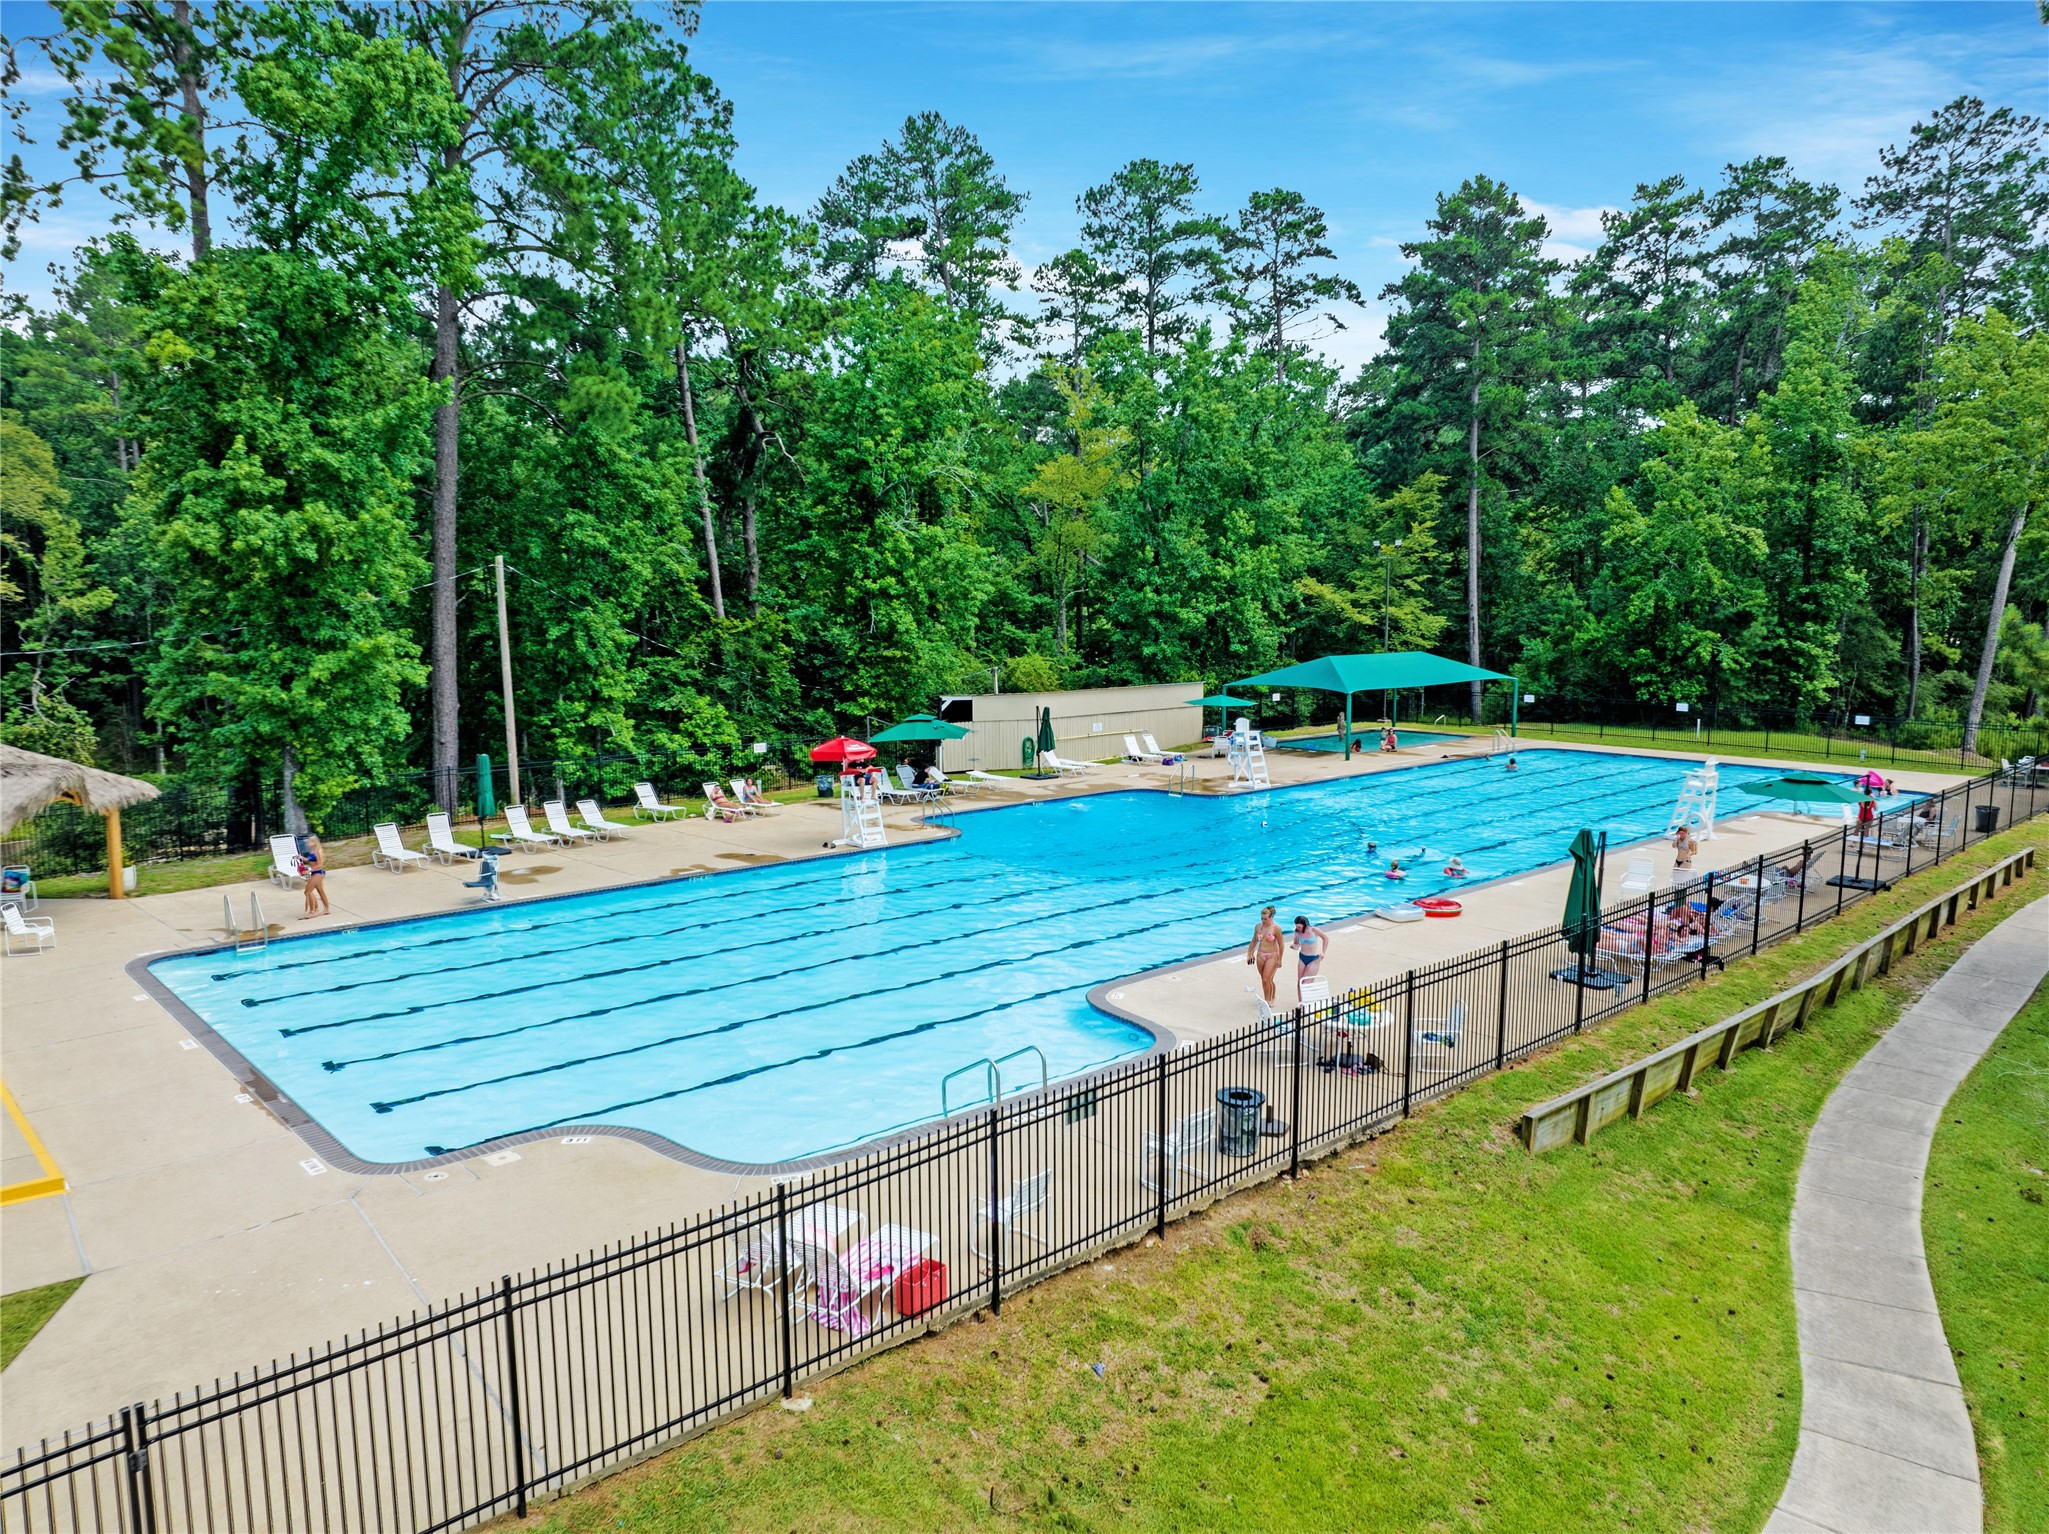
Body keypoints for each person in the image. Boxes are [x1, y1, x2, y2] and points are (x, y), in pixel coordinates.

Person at [1245, 906, 1284, 1007]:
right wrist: (1249, 953)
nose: (1263, 921)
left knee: (1266, 979)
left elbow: (1281, 945)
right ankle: (1271, 996)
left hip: (1272, 955)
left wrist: (1280, 959)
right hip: (1260, 955)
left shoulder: (1276, 928)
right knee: (1265, 979)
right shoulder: (1258, 927)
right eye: (1262, 918)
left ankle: (1267, 1001)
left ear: (1271, 917)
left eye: (1265, 919)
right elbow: (1254, 940)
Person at [1291, 916, 1330, 988]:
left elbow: (1326, 939)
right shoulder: (1297, 932)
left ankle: (1308, 998)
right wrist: (1294, 946)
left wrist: (1323, 952)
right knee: (1300, 982)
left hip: (1313, 959)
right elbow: (1296, 944)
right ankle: (1300, 999)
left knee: (1306, 983)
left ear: (1305, 924)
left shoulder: (1314, 930)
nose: (1298, 928)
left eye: (1299, 927)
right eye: (1297, 927)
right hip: (1302, 957)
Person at [298, 833, 330, 919]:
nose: (307, 844)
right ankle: (327, 909)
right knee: (320, 891)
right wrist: (300, 857)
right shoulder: (312, 850)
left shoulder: (318, 851)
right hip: (315, 872)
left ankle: (313, 911)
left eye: (308, 842)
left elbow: (320, 864)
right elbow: (309, 860)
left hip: (318, 872)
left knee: (307, 892)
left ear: (314, 842)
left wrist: (308, 870)